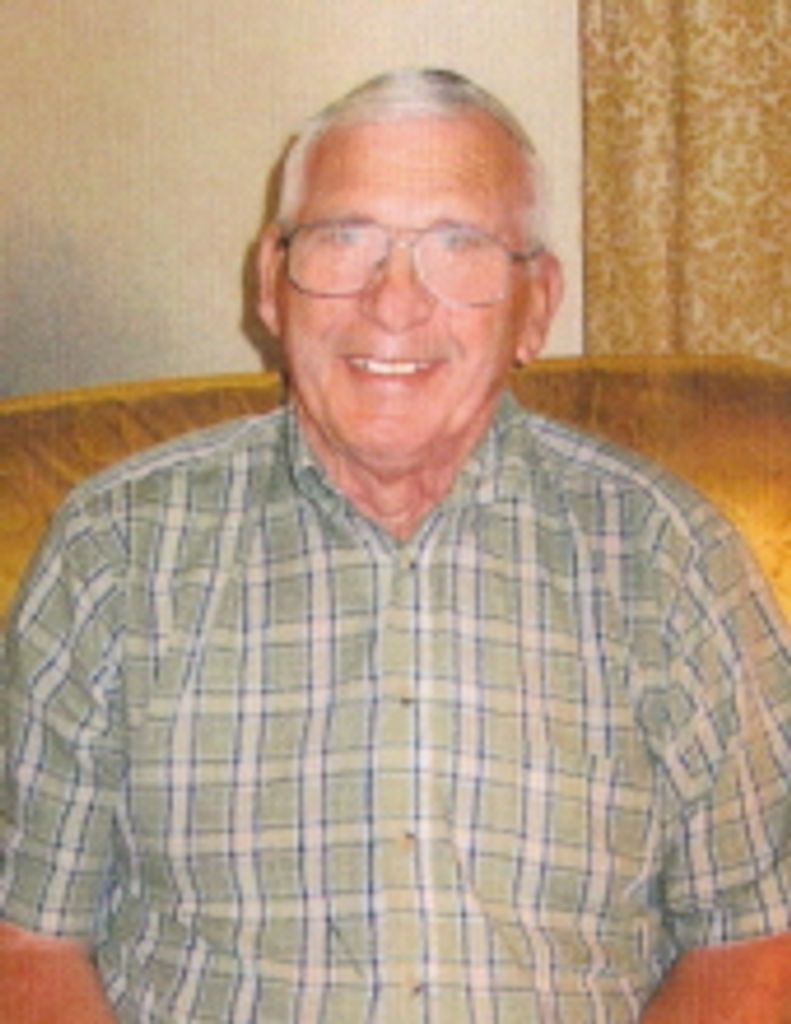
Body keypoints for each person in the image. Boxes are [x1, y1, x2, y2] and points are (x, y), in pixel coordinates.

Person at [1, 68, 789, 1023]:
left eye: (457, 246)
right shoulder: (114, 550)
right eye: (346, 238)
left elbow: (754, 939)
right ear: (270, 284)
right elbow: (28, 942)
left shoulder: (669, 560)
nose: (393, 300)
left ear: (536, 304)